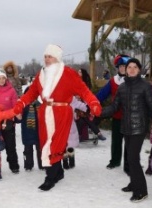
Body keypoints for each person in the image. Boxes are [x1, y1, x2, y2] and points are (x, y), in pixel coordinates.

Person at [13, 44, 102, 191]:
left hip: (61, 112)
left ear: (57, 58)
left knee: (54, 145)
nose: (47, 59)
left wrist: (93, 102)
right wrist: (21, 103)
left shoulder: (68, 73)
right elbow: (31, 93)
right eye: (46, 56)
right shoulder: (41, 74)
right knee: (45, 143)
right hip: (44, 111)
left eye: (50, 56)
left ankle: (50, 177)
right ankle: (59, 171)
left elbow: (83, 90)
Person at [101, 58, 152, 202]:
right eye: (130, 67)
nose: (132, 69)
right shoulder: (122, 87)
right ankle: (134, 183)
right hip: (126, 127)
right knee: (130, 158)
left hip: (139, 127)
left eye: (135, 67)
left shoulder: (145, 86)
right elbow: (114, 107)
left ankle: (141, 191)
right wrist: (99, 111)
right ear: (125, 70)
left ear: (139, 69)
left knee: (133, 158)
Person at [97, 54, 130, 172]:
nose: (123, 68)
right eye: (121, 66)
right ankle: (115, 161)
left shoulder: (134, 81)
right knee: (116, 140)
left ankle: (130, 164)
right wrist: (91, 103)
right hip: (117, 116)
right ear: (118, 67)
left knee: (130, 144)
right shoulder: (113, 81)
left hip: (131, 118)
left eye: (125, 66)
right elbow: (101, 95)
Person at [77, 68, 106, 141]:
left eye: (80, 72)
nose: (78, 73)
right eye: (78, 71)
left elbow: (88, 95)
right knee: (85, 117)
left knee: (84, 119)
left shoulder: (85, 84)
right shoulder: (75, 82)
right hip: (76, 106)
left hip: (84, 106)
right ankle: (98, 133)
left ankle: (79, 136)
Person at [63, 96, 88, 169]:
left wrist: (88, 106)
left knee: (70, 145)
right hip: (62, 126)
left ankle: (71, 161)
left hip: (70, 126)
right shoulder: (59, 98)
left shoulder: (72, 99)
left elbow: (83, 106)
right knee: (63, 146)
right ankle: (65, 162)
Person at [21, 87, 42, 171]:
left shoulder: (39, 105)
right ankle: (28, 165)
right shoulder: (23, 105)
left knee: (40, 149)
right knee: (27, 150)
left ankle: (42, 165)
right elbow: (19, 118)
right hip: (27, 132)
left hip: (38, 132)